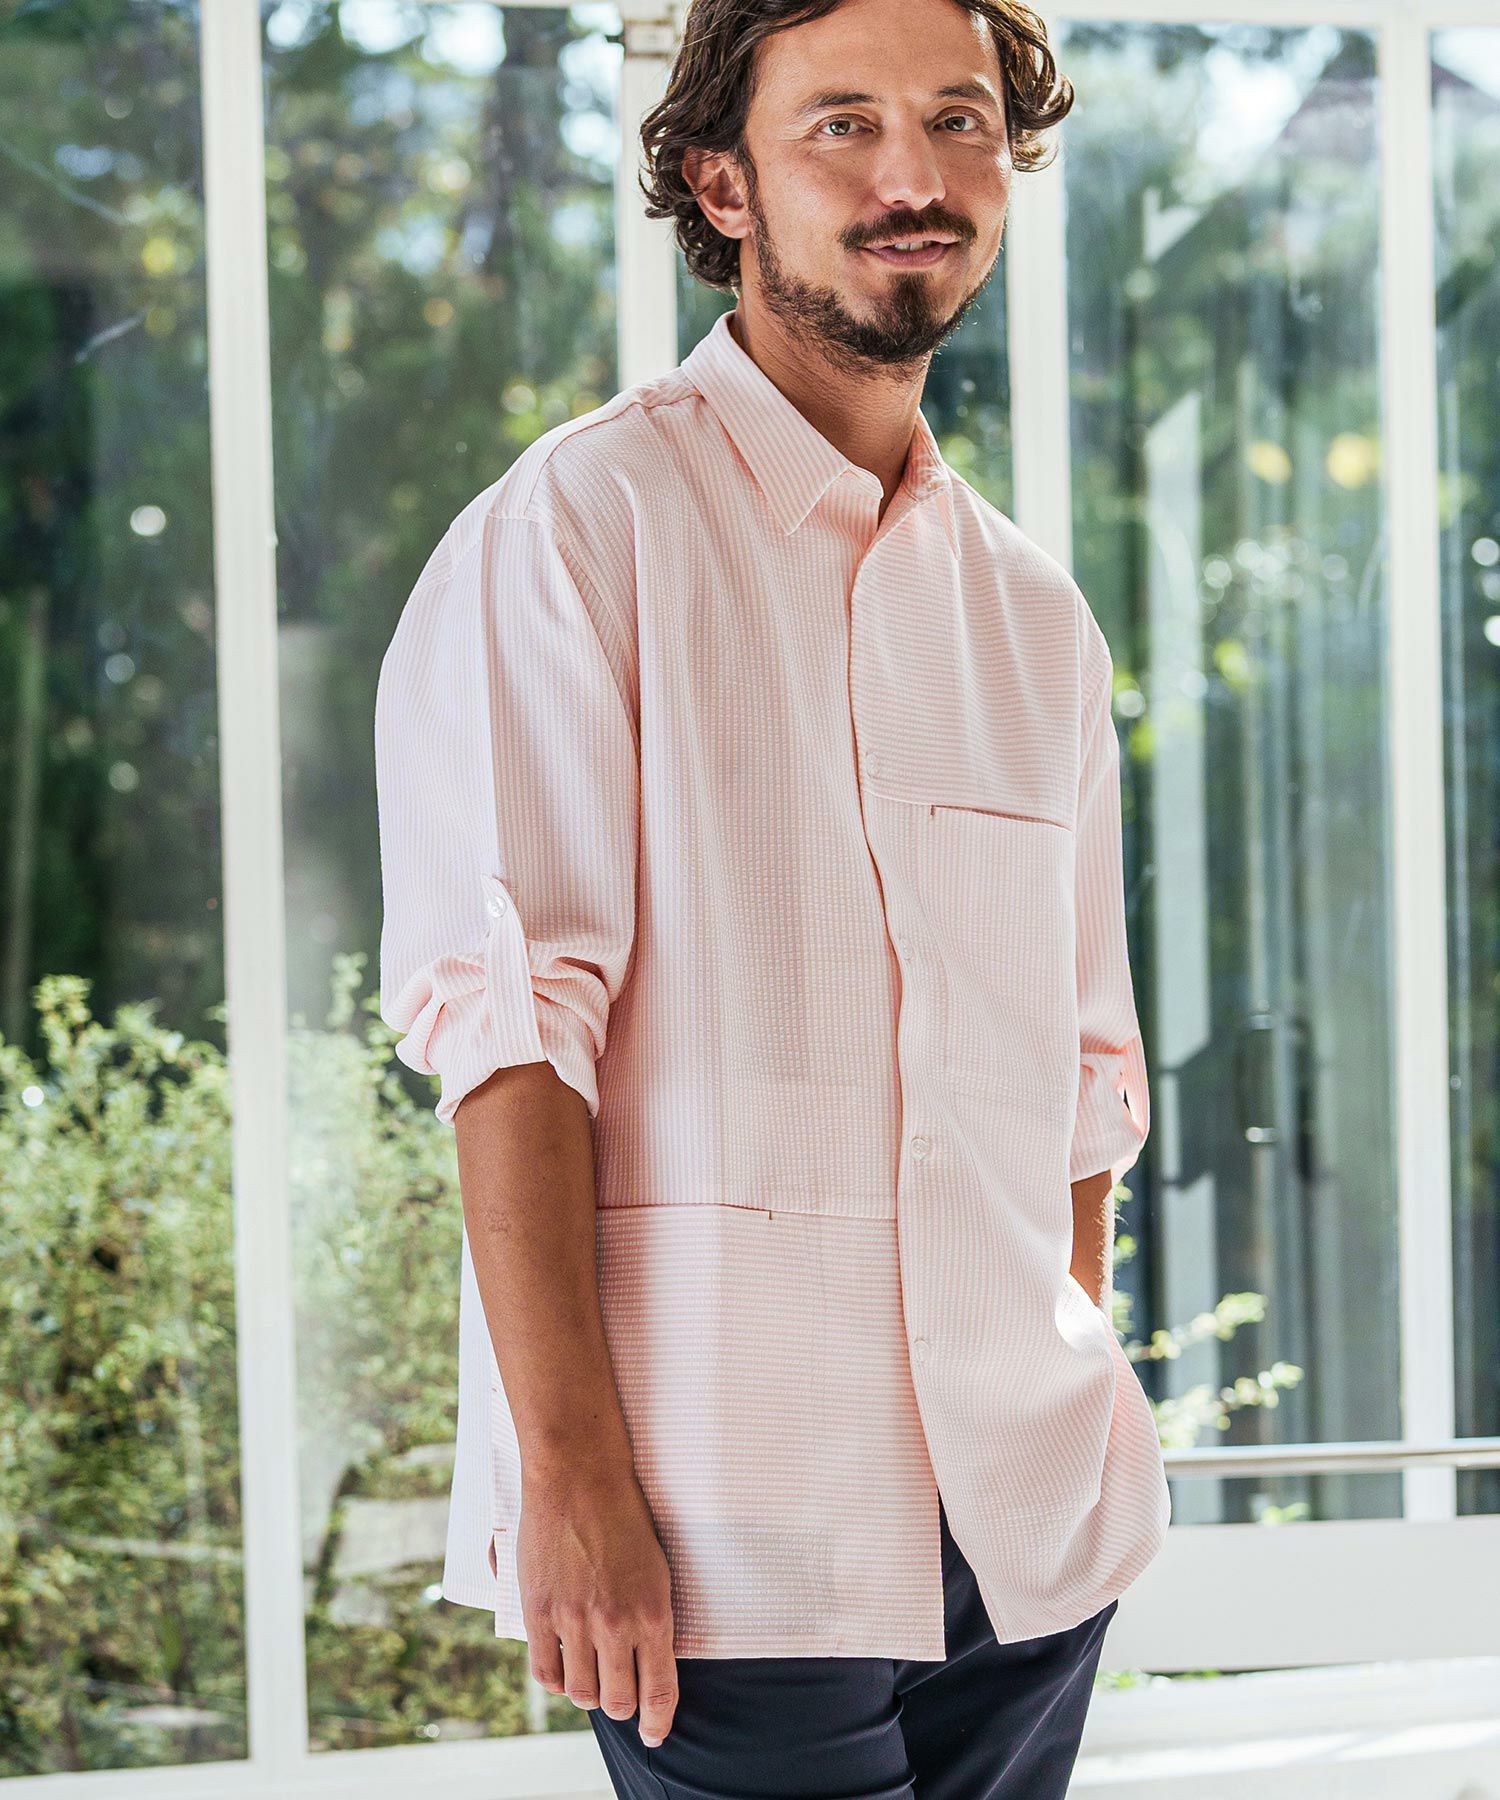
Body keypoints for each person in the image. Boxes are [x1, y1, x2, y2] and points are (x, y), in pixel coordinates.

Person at [373, 0, 1170, 1791]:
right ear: (721, 184)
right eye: (843, 125)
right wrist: (569, 1477)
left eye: (960, 122)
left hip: (1024, 1532)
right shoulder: (580, 530)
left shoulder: (1034, 620)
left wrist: (1068, 1399)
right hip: (725, 1521)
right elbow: (511, 1035)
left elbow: (1080, 1074)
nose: (915, 176)